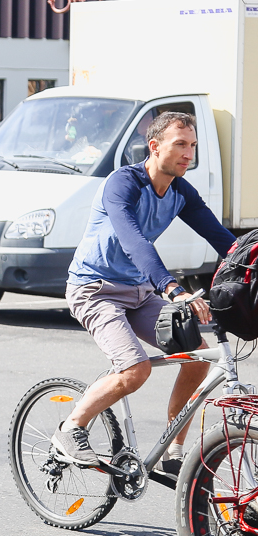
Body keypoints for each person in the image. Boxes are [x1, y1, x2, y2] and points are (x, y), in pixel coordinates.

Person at [58, 111, 236, 473]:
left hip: (137, 291)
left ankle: (172, 452)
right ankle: (70, 429)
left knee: (198, 357)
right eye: (180, 145)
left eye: (193, 146)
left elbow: (222, 240)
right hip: (95, 289)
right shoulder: (122, 183)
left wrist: (251, 263)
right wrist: (170, 287)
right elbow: (134, 240)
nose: (189, 154)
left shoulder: (180, 191)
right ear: (154, 147)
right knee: (135, 370)